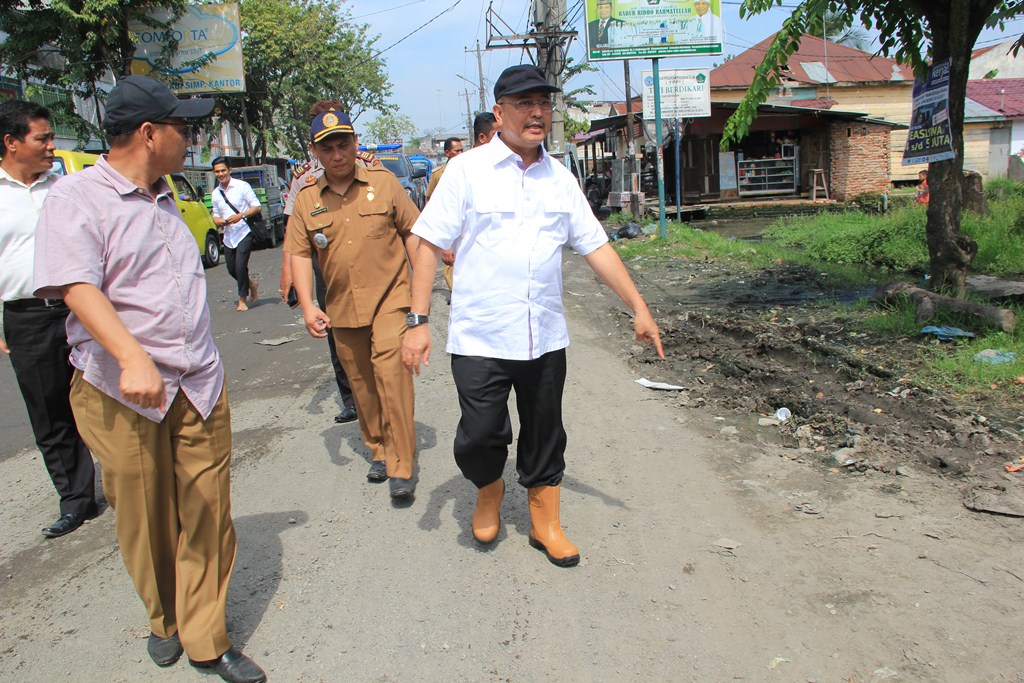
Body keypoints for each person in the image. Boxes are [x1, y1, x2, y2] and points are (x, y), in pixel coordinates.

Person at [32, 75, 265, 683]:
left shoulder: (168, 197)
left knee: (208, 508)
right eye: (183, 128)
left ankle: (207, 638)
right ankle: (165, 618)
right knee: (145, 514)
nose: (191, 138)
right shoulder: (76, 197)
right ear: (148, 133)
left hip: (197, 381)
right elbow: (76, 285)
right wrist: (132, 357)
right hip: (120, 387)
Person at [401, 65, 664, 567]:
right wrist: (417, 322)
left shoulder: (560, 179)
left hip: (542, 334)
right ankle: (489, 487)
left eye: (543, 102)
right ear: (499, 113)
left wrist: (639, 306)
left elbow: (595, 246)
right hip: (480, 335)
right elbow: (428, 244)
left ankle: (546, 522)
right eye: (524, 103)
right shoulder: (466, 171)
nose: (537, 112)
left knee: (545, 430)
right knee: (481, 433)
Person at [284, 108, 421, 498]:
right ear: (315, 152)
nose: (337, 155)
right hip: (342, 306)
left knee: (391, 374)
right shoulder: (307, 198)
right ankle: (379, 449)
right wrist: (308, 305)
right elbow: (299, 253)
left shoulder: (384, 183)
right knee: (361, 384)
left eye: (343, 145)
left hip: (391, 299)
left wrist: (420, 295)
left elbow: (413, 233)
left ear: (355, 143)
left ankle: (401, 464)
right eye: (327, 149)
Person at [0, 100, 98, 538]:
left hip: (80, 307)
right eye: (42, 138)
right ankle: (77, 500)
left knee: (106, 393)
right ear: (11, 142)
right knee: (49, 409)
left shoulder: (64, 189)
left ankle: (131, 480)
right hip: (26, 318)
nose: (51, 146)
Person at [280, 100, 382, 426]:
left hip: (368, 262)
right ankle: (352, 399)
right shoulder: (304, 177)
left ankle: (380, 392)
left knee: (377, 331)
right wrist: (288, 272)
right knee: (336, 331)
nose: (334, 151)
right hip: (327, 266)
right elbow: (293, 229)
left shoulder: (368, 165)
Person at [210, 157, 262, 312]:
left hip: (244, 231)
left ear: (229, 170)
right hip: (228, 235)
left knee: (240, 266)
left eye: (223, 170)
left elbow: (257, 206)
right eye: (217, 172)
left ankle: (242, 300)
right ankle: (251, 284)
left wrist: (241, 216)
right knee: (231, 268)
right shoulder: (216, 193)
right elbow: (215, 213)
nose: (220, 174)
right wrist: (218, 220)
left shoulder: (242, 186)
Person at [424, 137, 463, 201]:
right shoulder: (438, 174)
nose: (460, 153)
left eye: (462, 151)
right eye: (457, 151)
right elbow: (429, 199)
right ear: (447, 153)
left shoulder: (468, 171)